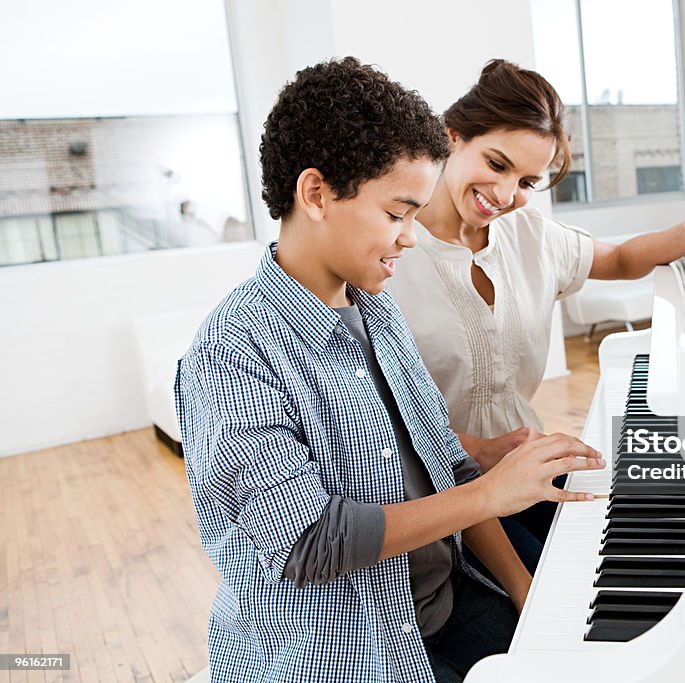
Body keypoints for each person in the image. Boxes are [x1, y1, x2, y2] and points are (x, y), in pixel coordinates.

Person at [175, 57, 603, 683]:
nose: (409, 238)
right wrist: (491, 490)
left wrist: (525, 593)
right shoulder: (234, 350)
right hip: (345, 651)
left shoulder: (375, 307)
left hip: (442, 601)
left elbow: (447, 471)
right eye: (397, 213)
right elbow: (308, 544)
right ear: (316, 193)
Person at [387, 60, 685, 564]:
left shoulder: (531, 235)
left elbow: (623, 259)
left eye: (525, 181)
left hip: (526, 464)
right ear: (451, 138)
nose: (505, 195)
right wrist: (476, 449)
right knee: (547, 584)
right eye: (496, 165)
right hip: (433, 490)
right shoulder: (388, 252)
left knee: (629, 544)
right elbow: (372, 416)